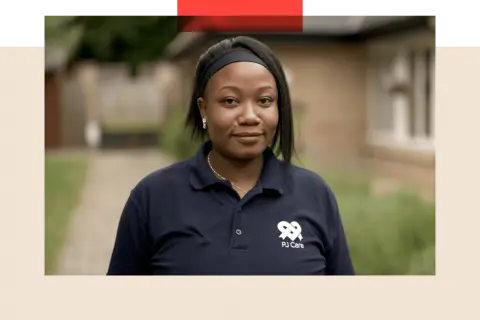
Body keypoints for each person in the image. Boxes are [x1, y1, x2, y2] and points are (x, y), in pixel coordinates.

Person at [107, 36, 355, 275]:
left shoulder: (314, 195)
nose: (249, 116)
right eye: (230, 101)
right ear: (204, 109)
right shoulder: (153, 197)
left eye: (265, 100)